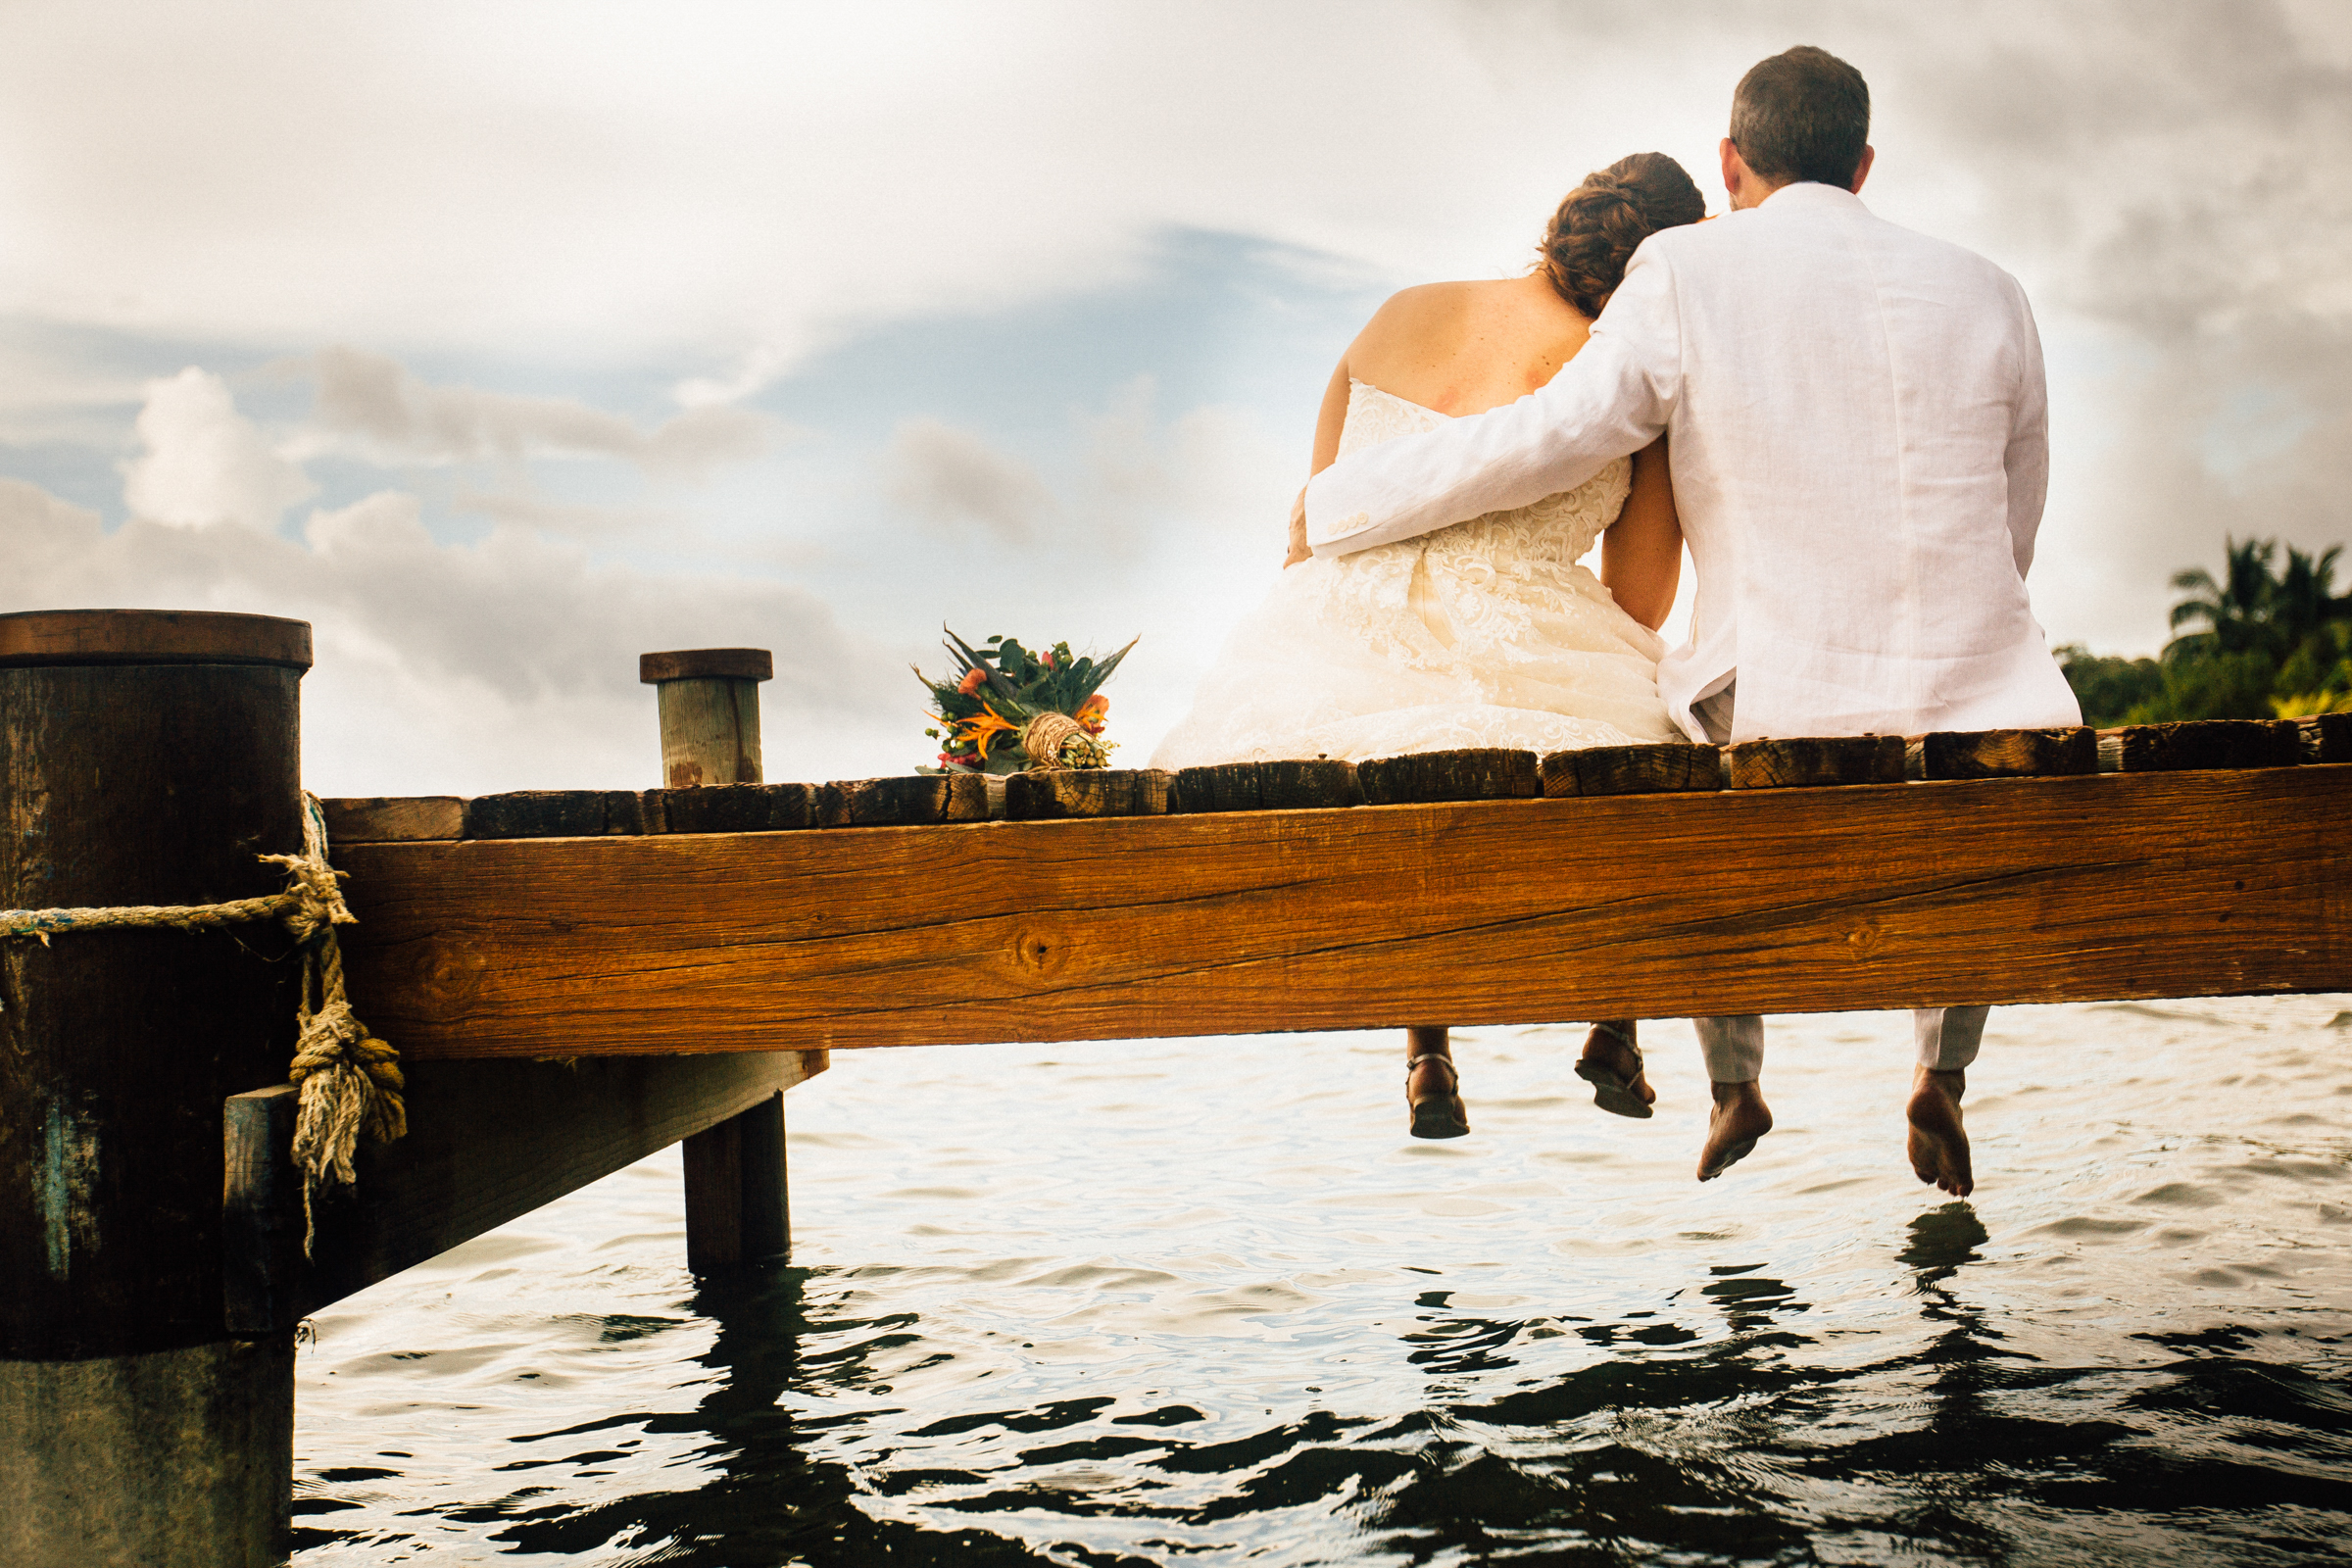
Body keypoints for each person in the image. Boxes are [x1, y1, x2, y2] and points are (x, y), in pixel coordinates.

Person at [1302, 47, 2082, 1195]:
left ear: (1732, 161)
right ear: (1864, 164)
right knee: (1970, 762)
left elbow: (1549, 438)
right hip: (1993, 699)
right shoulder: (1991, 288)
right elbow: (2017, 521)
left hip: (1776, 704)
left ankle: (1734, 1085)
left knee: (1694, 747)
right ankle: (1941, 1074)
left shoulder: (1686, 268)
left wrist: (1346, 500)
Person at [1151, 154, 1705, 1141]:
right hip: (1527, 631)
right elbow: (1641, 592)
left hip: (1336, 634)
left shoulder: (1397, 313)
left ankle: (1428, 1052)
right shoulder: (1619, 377)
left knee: (1397, 743)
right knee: (1657, 742)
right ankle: (1616, 1016)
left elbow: (1328, 508)